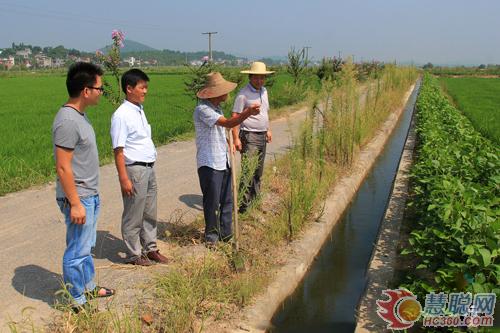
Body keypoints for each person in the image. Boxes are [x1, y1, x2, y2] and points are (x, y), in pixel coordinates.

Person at [52, 62, 114, 313]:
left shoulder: (79, 115)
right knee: (77, 250)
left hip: (89, 194)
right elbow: (63, 168)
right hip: (79, 197)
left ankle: (87, 286)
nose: (102, 92)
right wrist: (76, 203)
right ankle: (75, 299)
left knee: (86, 246)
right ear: (86, 90)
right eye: (99, 88)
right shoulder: (67, 121)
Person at [194, 72, 260, 246]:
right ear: (215, 93)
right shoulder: (203, 109)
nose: (227, 93)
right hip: (210, 162)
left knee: (227, 199)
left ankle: (226, 233)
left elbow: (222, 130)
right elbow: (229, 123)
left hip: (222, 159)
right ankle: (212, 237)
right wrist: (247, 112)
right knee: (212, 201)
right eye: (224, 90)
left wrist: (229, 141)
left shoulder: (217, 108)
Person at [110, 69, 167, 266]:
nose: (145, 91)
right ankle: (135, 253)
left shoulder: (139, 110)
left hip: (149, 168)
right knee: (133, 212)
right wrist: (123, 178)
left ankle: (150, 248)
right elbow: (118, 150)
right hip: (134, 169)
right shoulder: (121, 115)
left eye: (146, 87)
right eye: (142, 87)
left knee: (150, 211)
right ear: (129, 88)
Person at [231, 62, 274, 213]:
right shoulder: (243, 94)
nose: (259, 81)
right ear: (250, 77)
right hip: (249, 135)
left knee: (258, 172)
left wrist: (268, 129)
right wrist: (236, 138)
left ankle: (256, 201)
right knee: (248, 171)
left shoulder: (264, 91)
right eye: (256, 78)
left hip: (262, 135)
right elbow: (235, 116)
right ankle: (243, 206)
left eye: (262, 78)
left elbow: (265, 113)